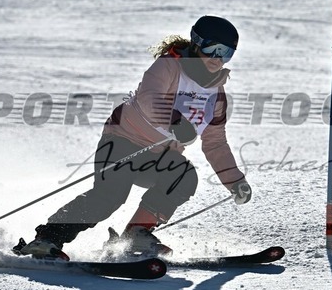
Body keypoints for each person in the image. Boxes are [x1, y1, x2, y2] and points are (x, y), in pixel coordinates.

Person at [13, 15, 252, 260]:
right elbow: (149, 98)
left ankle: (136, 234)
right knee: (108, 199)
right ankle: (47, 238)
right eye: (212, 48)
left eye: (226, 53)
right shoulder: (169, 66)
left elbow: (215, 143)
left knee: (184, 176)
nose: (217, 58)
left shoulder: (216, 95)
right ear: (196, 42)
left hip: (158, 158)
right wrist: (174, 120)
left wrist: (234, 182)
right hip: (122, 142)